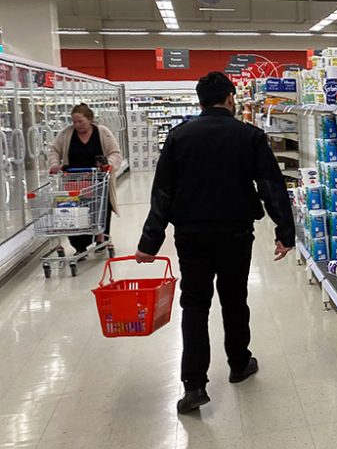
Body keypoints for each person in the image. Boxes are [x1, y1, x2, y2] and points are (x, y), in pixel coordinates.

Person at [136, 72, 295, 415]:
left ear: (199, 101)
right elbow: (271, 184)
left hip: (191, 235)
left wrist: (149, 242)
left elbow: (162, 192)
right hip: (235, 233)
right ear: (229, 98)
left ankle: (194, 385)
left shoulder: (179, 137)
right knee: (234, 299)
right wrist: (285, 232)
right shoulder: (249, 136)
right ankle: (239, 363)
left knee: (194, 305)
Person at [47, 103, 122, 254]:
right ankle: (79, 246)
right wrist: (55, 164)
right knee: (75, 212)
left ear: (90, 119)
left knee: (100, 209)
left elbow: (115, 153)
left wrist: (109, 164)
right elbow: (54, 151)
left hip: (98, 179)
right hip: (74, 181)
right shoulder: (66, 134)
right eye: (74, 122)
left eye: (80, 121)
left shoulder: (102, 132)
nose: (77, 125)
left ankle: (101, 237)